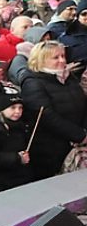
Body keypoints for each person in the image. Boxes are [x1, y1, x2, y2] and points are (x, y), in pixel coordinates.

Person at [21, 40, 87, 179]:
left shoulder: (69, 77)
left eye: (63, 56)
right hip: (50, 149)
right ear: (41, 60)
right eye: (56, 57)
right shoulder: (33, 82)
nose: (62, 60)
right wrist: (79, 135)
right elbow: (47, 116)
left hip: (76, 141)